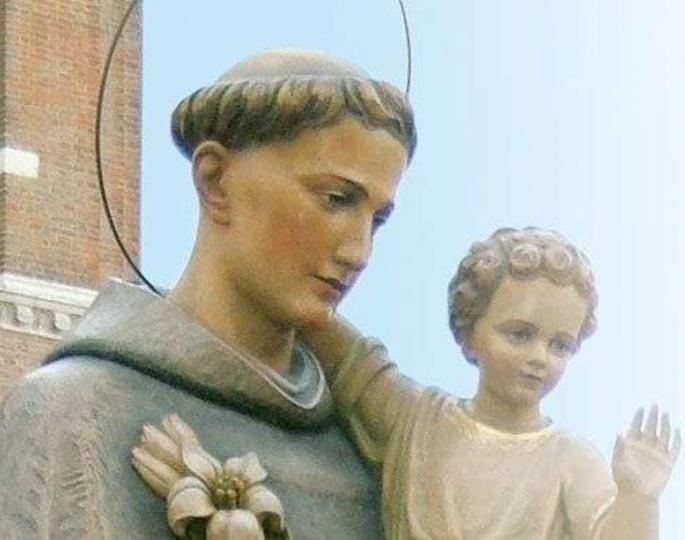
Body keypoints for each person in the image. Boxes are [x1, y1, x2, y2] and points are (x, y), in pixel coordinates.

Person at [0, 49, 416, 538]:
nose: (359, 251)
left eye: (378, 219)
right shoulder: (72, 412)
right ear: (215, 180)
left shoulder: (370, 457)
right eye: (336, 199)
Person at [303, 227, 680, 539]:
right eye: (519, 334)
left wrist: (639, 498)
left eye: (560, 345)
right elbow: (335, 343)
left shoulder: (571, 461)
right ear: (469, 332)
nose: (540, 357)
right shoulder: (416, 419)